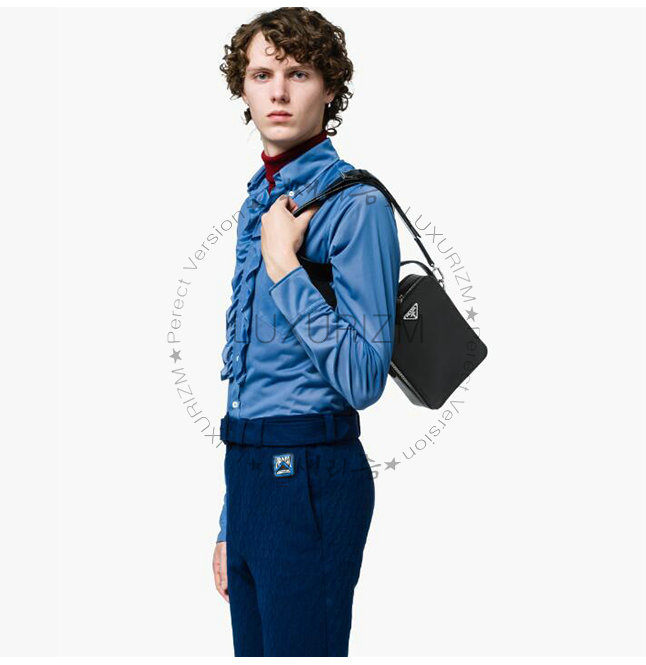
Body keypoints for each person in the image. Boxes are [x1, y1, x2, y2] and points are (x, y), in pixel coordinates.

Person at [212, 7, 401, 657]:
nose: (279, 92)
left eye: (298, 73)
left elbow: (365, 376)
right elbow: (251, 377)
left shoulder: (355, 205)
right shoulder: (258, 202)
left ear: (330, 87)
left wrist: (285, 265)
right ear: (243, 89)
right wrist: (231, 515)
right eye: (262, 74)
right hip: (249, 472)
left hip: (311, 474)